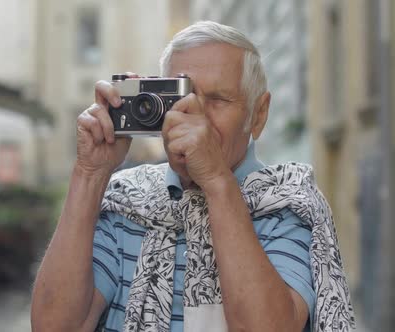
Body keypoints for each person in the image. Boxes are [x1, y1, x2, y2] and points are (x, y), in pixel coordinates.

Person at [31, 21, 355, 332]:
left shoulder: (286, 206)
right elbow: (54, 326)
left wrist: (215, 179)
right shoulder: (126, 202)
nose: (194, 115)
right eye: (179, 96)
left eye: (216, 100)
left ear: (258, 115)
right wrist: (90, 173)